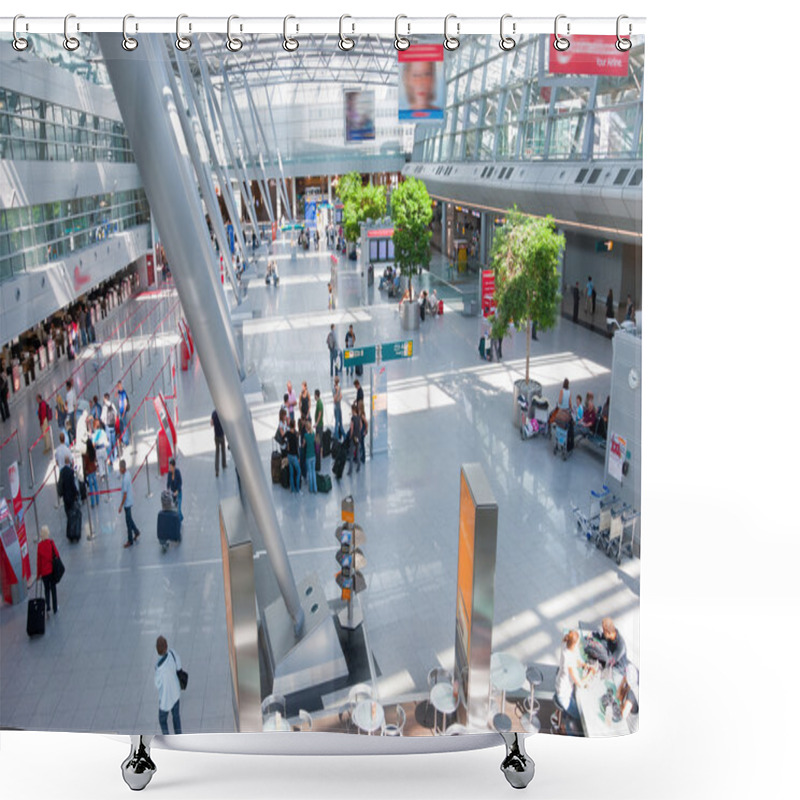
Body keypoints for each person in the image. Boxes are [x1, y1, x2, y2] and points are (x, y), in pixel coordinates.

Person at [555, 630, 595, 723]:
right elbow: (580, 683)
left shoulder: (565, 644)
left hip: (561, 685)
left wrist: (584, 665)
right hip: (564, 696)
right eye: (578, 643)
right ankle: (565, 726)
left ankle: (561, 715)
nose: (578, 645)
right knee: (580, 716)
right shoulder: (570, 665)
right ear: (574, 644)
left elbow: (574, 658)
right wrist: (590, 673)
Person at [154, 636, 182, 735]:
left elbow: (157, 684)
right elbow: (179, 666)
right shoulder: (172, 654)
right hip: (175, 693)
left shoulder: (158, 668)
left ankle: (166, 738)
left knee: (162, 720)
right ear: (166, 646)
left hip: (165, 698)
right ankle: (179, 738)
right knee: (176, 717)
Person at [36, 525, 61, 616]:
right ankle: (55, 607)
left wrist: (38, 574)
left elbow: (38, 562)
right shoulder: (51, 543)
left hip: (44, 573)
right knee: (53, 589)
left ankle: (48, 606)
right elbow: (57, 554)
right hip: (51, 571)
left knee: (46, 590)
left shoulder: (39, 546)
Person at [118, 459, 140, 548]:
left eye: (120, 468)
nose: (119, 470)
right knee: (129, 518)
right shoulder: (127, 474)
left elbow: (124, 494)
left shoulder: (125, 480)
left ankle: (130, 540)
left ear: (123, 468)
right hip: (130, 500)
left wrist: (120, 505)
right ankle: (136, 531)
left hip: (127, 503)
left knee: (128, 522)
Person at [83, 435, 99, 508]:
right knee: (95, 485)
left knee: (91, 488)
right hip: (94, 469)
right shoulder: (93, 451)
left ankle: (92, 502)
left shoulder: (87, 455)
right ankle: (97, 500)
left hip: (89, 471)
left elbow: (85, 464)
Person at [346, 402, 362, 476]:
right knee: (358, 452)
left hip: (353, 437)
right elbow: (361, 426)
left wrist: (350, 436)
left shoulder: (352, 418)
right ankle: (358, 466)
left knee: (351, 454)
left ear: (353, 410)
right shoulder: (359, 417)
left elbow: (351, 428)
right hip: (358, 436)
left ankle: (350, 470)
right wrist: (358, 431)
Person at [286, 418, 301, 493]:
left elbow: (282, 439)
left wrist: (287, 446)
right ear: (294, 426)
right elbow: (296, 447)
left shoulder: (288, 433)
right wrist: (298, 457)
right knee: (298, 471)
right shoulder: (295, 435)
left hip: (289, 455)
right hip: (294, 456)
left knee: (291, 473)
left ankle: (292, 489)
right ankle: (297, 488)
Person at [166, 458, 183, 523]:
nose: (170, 468)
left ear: (174, 466)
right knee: (176, 509)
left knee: (178, 509)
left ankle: (179, 523)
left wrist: (177, 491)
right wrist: (167, 489)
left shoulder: (177, 472)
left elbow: (180, 482)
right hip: (173, 494)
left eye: (171, 467)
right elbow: (168, 483)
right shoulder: (169, 474)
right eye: (169, 467)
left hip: (179, 493)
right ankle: (181, 518)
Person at [103, 393, 118, 465]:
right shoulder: (112, 404)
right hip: (113, 425)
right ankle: (116, 455)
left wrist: (105, 423)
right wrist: (114, 421)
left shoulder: (104, 407)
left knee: (108, 442)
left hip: (107, 426)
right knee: (114, 441)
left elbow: (102, 418)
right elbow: (116, 413)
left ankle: (111, 458)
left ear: (105, 399)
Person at [211, 409, 226, 477]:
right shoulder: (222, 413)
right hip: (222, 435)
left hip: (216, 436)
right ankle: (224, 464)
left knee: (217, 453)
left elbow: (211, 424)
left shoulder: (213, 413)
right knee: (223, 450)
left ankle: (217, 470)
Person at [304, 420, 317, 493]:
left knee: (310, 472)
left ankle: (311, 488)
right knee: (313, 472)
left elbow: (303, 445)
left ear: (306, 428)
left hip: (308, 456)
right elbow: (317, 442)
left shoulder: (305, 436)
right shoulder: (314, 434)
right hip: (313, 455)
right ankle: (315, 488)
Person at [116, 381, 130, 446]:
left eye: (118, 386)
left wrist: (124, 412)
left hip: (122, 411)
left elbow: (125, 403)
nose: (118, 387)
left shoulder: (123, 393)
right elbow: (116, 395)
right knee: (121, 425)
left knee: (124, 426)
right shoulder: (120, 392)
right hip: (121, 411)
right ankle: (123, 439)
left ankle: (126, 441)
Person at [332, 376, 344, 441]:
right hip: (336, 407)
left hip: (338, 407)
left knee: (340, 422)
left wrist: (338, 398)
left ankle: (342, 436)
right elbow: (335, 399)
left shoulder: (339, 387)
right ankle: (337, 437)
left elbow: (341, 396)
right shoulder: (334, 389)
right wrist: (337, 392)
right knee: (337, 423)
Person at [65, 380, 76, 444]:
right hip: (72, 411)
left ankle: (70, 440)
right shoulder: (73, 392)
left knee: (68, 427)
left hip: (69, 412)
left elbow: (66, 402)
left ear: (68, 387)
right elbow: (74, 402)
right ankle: (75, 437)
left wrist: (65, 407)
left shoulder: (68, 394)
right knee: (73, 425)